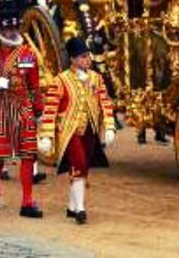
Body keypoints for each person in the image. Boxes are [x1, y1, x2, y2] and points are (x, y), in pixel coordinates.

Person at [38, 37, 115, 225]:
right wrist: (47, 135)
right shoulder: (60, 81)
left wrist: (110, 125)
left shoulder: (96, 78)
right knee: (79, 163)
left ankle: (72, 206)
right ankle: (80, 208)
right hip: (69, 130)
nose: (87, 60)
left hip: (90, 129)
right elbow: (50, 109)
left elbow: (105, 102)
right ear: (72, 59)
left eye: (88, 56)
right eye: (83, 57)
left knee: (83, 166)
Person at [0, 0, 43, 217]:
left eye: (14, 28)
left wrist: (38, 107)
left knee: (29, 153)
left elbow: (34, 83)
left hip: (22, 107)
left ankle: (27, 201)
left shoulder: (26, 53)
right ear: (0, 29)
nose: (11, 31)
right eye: (7, 28)